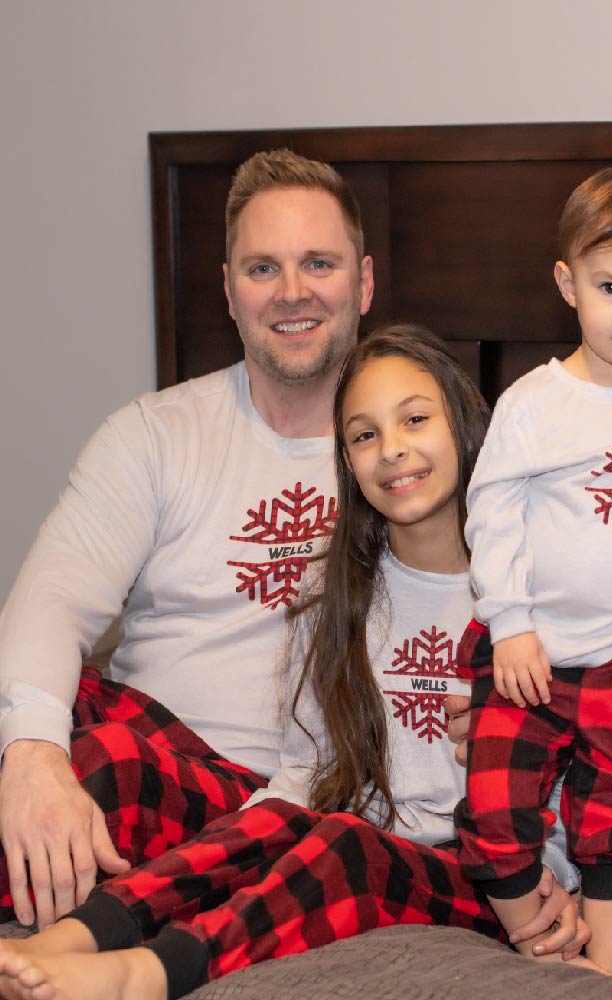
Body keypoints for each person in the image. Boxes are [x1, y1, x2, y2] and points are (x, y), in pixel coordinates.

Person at [0, 326, 590, 1000]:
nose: (392, 448)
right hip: (359, 825)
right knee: (283, 818)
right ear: (346, 462)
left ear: (463, 423)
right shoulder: (341, 593)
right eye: (364, 435)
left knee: (347, 844)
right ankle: (75, 937)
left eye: (415, 419)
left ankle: (148, 974)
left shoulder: (532, 599)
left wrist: (550, 875)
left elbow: (583, 771)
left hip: (483, 873)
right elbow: (307, 773)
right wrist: (251, 837)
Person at [0, 148, 374, 928]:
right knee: (41, 713)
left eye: (319, 263)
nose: (292, 291)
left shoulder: (422, 451)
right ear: (229, 291)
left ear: (364, 283)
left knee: (109, 763)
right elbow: (53, 598)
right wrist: (33, 756)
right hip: (141, 739)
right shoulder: (153, 435)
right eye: (263, 268)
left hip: (271, 799)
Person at [453, 165, 612, 973]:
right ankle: (540, 944)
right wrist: (510, 623)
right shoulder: (536, 402)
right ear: (568, 285)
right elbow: (490, 510)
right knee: (495, 804)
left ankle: (608, 971)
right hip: (530, 648)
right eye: (610, 287)